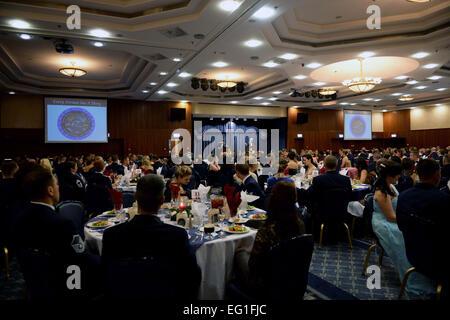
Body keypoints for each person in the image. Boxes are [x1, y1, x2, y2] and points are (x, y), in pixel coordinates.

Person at [101, 175, 201, 299]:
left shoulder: (111, 235)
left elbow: (104, 277)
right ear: (162, 200)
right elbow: (192, 276)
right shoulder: (177, 235)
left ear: (135, 197)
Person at [13, 167, 99, 299]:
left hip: (35, 282)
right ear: (50, 191)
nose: (59, 187)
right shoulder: (62, 224)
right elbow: (82, 258)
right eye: (56, 185)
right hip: (66, 284)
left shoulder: (19, 219)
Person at [372, 159, 436, 296]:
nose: (399, 177)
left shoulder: (391, 187)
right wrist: (411, 220)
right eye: (397, 174)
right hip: (384, 224)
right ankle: (412, 275)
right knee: (406, 236)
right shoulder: (381, 192)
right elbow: (390, 217)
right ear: (389, 176)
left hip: (395, 219)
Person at [234, 181, 305, 296]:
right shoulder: (300, 224)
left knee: (240, 253)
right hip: (293, 277)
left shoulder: (267, 230)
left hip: (265, 285)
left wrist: (245, 250)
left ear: (273, 199)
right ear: (294, 200)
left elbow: (254, 265)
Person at [397, 159, 450, 298]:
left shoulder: (403, 197)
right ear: (437, 176)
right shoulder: (444, 200)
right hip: (439, 261)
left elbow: (401, 226)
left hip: (413, 254)